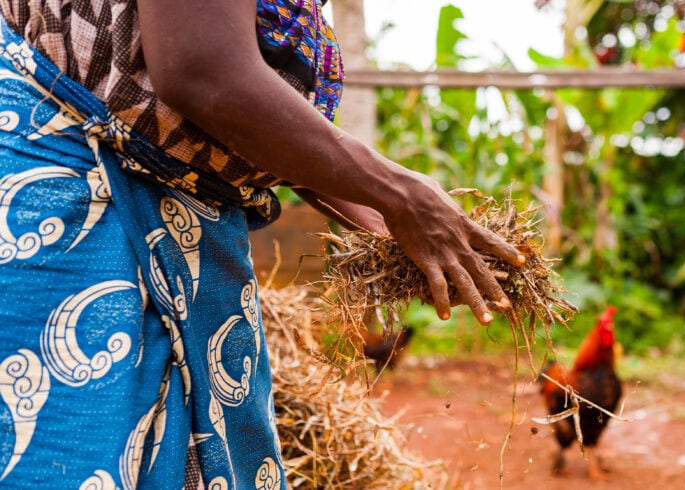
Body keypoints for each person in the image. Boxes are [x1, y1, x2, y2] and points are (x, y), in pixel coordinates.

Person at [0, 0, 523, 487]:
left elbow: (242, 119)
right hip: (72, 223)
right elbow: (202, 70)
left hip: (175, 225)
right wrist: (400, 193)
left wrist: (385, 222)